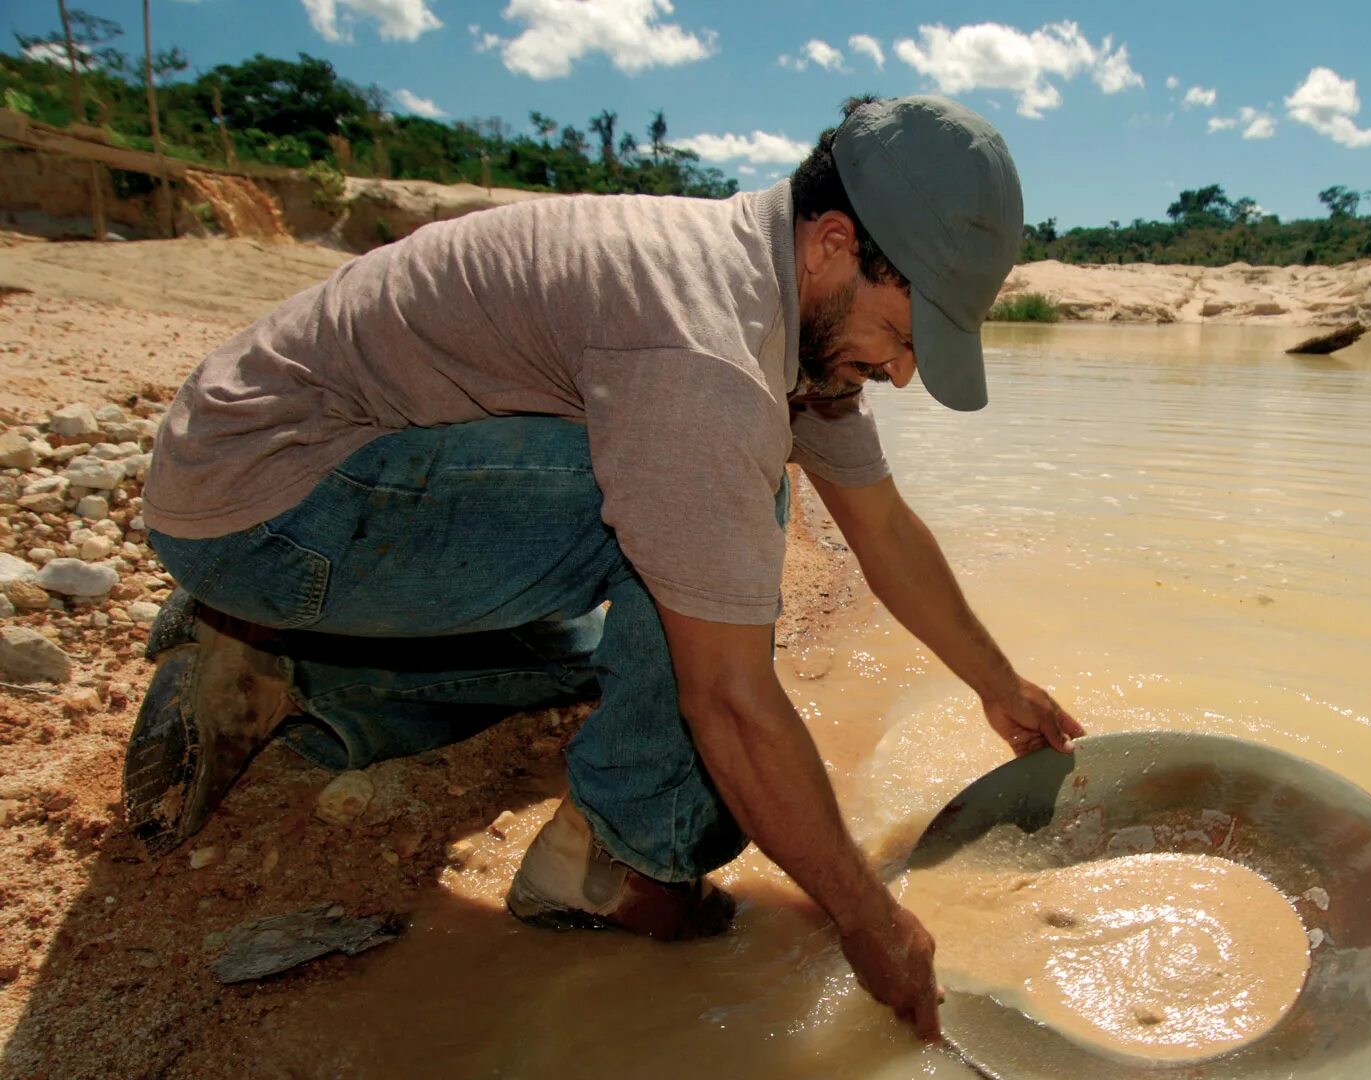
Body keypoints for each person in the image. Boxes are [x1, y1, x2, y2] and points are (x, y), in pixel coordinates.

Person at [122, 95, 1083, 1039]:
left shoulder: (773, 295)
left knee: (618, 640)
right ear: (835, 242)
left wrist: (1000, 687)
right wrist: (867, 918)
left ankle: (293, 674)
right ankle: (614, 859)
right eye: (908, 337)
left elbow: (883, 527)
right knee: (718, 534)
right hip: (269, 505)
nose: (906, 374)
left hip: (263, 474)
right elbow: (731, 701)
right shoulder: (707, 356)